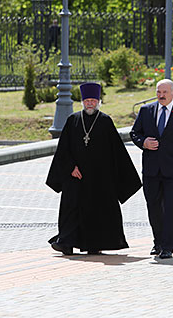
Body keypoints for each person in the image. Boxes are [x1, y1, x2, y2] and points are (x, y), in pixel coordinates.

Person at [46, 82, 141, 255]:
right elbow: (63, 149)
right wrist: (70, 167)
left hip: (99, 179)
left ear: (99, 102)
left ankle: (94, 244)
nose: (90, 103)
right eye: (87, 100)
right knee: (71, 210)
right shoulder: (73, 120)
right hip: (76, 177)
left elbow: (117, 152)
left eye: (93, 100)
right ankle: (66, 242)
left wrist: (121, 179)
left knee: (97, 212)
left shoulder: (105, 121)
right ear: (82, 102)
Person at [130, 79, 173, 259]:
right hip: (151, 170)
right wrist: (143, 142)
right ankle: (158, 242)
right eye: (158, 92)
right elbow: (134, 133)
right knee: (153, 206)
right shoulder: (146, 111)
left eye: (165, 92)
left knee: (171, 207)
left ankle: (168, 246)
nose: (161, 96)